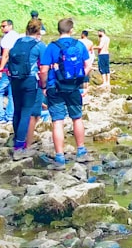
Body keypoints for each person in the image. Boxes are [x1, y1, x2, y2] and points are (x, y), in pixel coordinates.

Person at [38, 18, 92, 169]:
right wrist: (79, 80)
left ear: (58, 30)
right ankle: (81, 151)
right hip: (74, 88)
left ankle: (60, 158)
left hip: (55, 88)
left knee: (58, 121)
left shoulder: (52, 47)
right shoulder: (79, 45)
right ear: (72, 30)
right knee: (77, 118)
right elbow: (88, 65)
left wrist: (43, 86)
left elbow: (43, 70)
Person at [6, 19, 45, 160]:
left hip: (15, 80)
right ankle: (19, 147)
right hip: (29, 81)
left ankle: (17, 140)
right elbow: (44, 66)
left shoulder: (18, 41)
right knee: (26, 112)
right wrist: (45, 85)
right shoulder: (39, 45)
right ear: (39, 31)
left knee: (17, 110)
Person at [0, 20, 20, 125]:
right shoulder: (17, 36)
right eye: (1, 26)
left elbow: (5, 55)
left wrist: (0, 69)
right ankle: (10, 116)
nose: (2, 28)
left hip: (6, 68)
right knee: (12, 93)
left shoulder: (7, 38)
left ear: (10, 26)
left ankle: (0, 116)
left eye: (4, 26)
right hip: (15, 68)